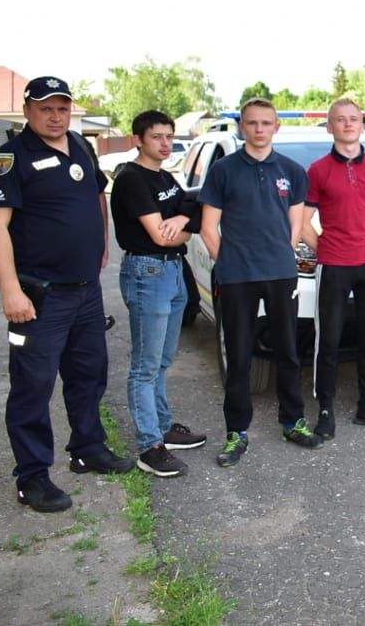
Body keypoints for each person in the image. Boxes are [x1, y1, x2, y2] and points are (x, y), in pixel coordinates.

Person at [0, 76, 132, 513]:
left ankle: (88, 448)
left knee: (88, 375)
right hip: (39, 296)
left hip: (86, 291)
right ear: (27, 111)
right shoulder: (11, 158)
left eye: (62, 108)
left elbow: (96, 196)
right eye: (46, 108)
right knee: (33, 387)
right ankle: (32, 477)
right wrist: (11, 291)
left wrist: (101, 244)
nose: (55, 116)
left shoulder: (81, 146)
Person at [199, 98, 320, 468]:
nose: (259, 129)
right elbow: (208, 228)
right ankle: (236, 431)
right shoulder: (223, 170)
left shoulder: (292, 171)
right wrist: (228, 263)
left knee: (288, 351)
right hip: (237, 277)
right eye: (252, 123)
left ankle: (293, 422)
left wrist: (281, 256)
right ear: (242, 126)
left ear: (276, 127)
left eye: (266, 123)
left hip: (281, 274)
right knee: (239, 356)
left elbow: (296, 225)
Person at [110, 110, 206, 478]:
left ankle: (164, 427)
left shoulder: (164, 176)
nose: (166, 144)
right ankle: (149, 446)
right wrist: (185, 224)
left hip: (173, 272)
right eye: (157, 137)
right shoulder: (132, 180)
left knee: (163, 360)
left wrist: (181, 219)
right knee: (145, 367)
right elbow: (160, 237)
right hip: (147, 272)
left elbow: (193, 214)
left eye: (169, 137)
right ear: (138, 140)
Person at [301, 99, 365, 434]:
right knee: (329, 341)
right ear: (330, 126)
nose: (347, 124)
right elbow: (303, 223)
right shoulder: (317, 170)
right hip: (333, 267)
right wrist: (326, 249)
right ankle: (325, 411)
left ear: (362, 125)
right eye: (340, 119)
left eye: (353, 119)